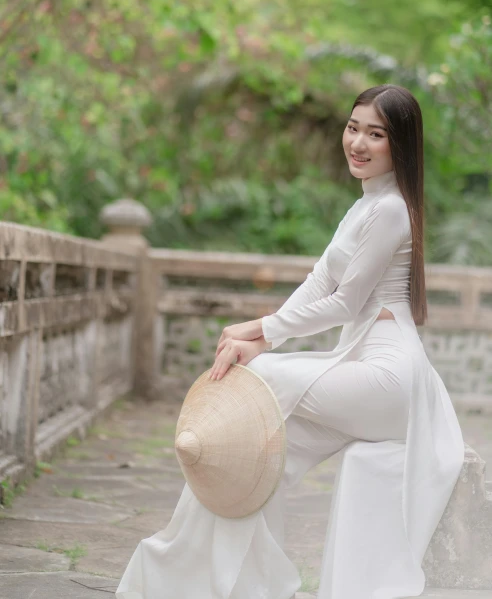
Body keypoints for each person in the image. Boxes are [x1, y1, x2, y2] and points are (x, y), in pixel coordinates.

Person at [116, 84, 465, 599]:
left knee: (260, 383)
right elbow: (318, 283)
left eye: (376, 134)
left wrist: (259, 333)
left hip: (389, 381)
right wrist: (264, 338)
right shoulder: (363, 206)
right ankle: (208, 580)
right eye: (353, 128)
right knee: (254, 456)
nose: (358, 143)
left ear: (401, 145)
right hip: (362, 374)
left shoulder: (391, 209)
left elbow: (345, 304)